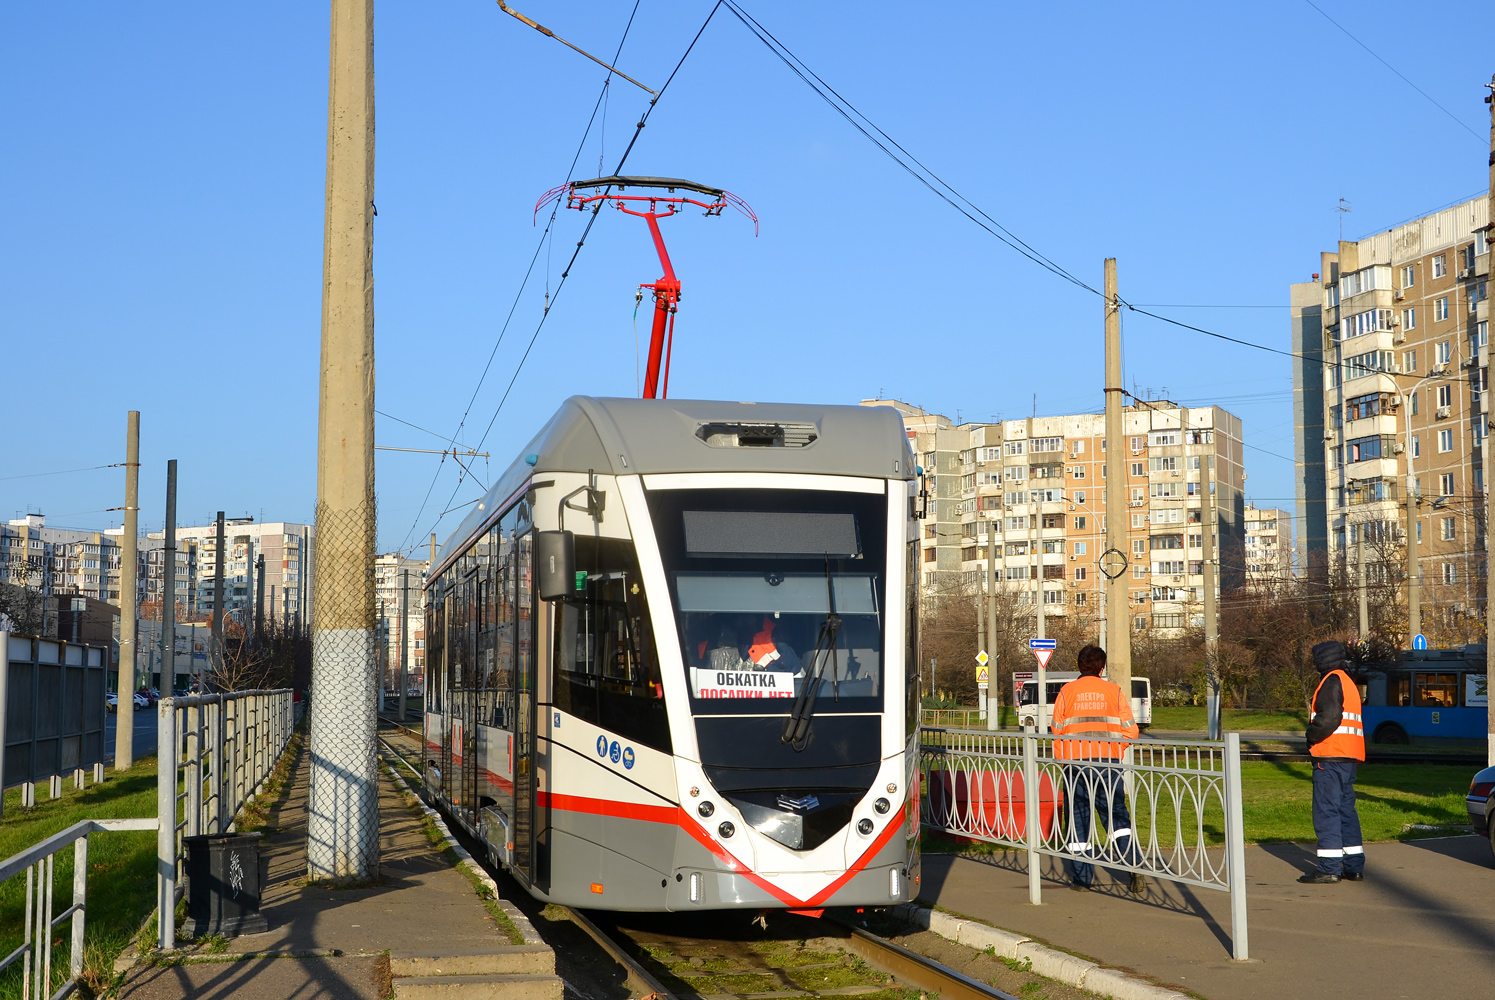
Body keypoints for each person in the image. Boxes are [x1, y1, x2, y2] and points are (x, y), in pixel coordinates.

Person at [1050, 644, 1145, 893]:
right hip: (1108, 765)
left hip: (1075, 765)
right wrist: (1115, 751)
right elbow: (1131, 730)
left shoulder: (1067, 691)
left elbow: (1056, 729)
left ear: (1079, 665)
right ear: (1101, 667)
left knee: (1078, 819)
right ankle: (1134, 867)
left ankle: (1082, 879)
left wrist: (1064, 760)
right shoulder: (1113, 691)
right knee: (1116, 817)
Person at [1298, 639, 1366, 884]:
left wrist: (1310, 736)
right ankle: (1353, 866)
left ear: (1322, 659)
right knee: (1346, 811)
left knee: (1326, 811)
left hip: (1330, 756)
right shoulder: (1347, 681)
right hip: (1349, 757)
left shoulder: (1330, 681)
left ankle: (1329, 868)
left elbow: (1329, 719)